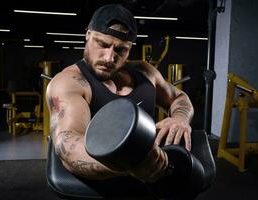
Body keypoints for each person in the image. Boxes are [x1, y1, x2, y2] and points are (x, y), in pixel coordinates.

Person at [46, 4, 194, 184]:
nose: (109, 58)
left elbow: (178, 98)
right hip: (102, 183)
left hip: (151, 177)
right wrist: (129, 163)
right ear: (88, 35)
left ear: (130, 48)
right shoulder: (69, 82)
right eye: (102, 44)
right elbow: (68, 145)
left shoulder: (146, 72)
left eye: (120, 49)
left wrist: (180, 118)